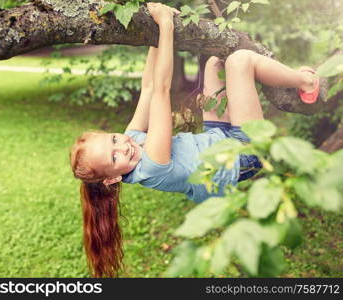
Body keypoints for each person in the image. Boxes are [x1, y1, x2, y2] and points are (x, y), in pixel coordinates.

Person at [69, 2, 320, 277]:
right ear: (112, 179)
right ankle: (304, 81)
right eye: (113, 156)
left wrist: (154, 34)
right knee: (239, 62)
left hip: (216, 137)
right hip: (243, 157)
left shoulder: (131, 141)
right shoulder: (151, 165)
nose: (123, 146)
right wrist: (165, 24)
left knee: (216, 62)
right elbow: (162, 91)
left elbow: (149, 86)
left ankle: (279, 74)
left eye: (114, 139)